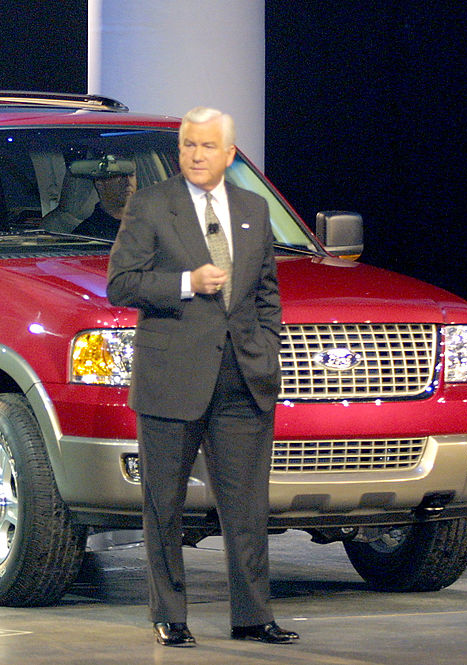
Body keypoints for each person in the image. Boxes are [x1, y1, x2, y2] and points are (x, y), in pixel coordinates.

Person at [107, 107, 295, 648]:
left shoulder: (253, 209)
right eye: (189, 144)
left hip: (244, 377)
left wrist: (266, 348)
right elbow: (121, 284)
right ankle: (170, 614)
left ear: (230, 155)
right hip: (173, 378)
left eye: (207, 146)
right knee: (164, 503)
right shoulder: (150, 205)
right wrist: (186, 282)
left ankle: (253, 616)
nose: (195, 154)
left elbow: (265, 292)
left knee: (247, 505)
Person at [72, 165, 137, 239]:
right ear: (100, 183)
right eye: (119, 175)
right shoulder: (86, 236)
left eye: (131, 175)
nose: (128, 182)